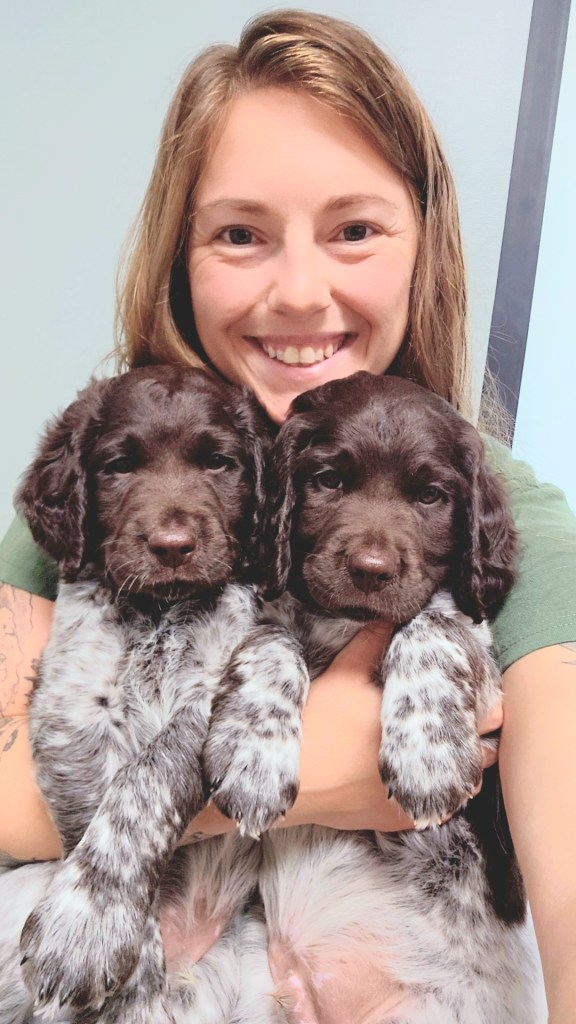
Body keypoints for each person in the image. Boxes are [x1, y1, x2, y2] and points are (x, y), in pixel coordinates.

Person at [1, 9, 575, 1021]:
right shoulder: (107, 466)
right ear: (179, 256)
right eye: (240, 234)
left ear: (426, 246)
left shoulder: (496, 499)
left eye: (354, 230)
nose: (301, 293)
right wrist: (319, 760)